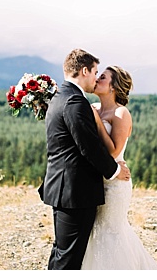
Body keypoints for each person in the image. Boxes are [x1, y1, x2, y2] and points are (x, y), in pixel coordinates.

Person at [39, 49, 130, 270]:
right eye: (95, 72)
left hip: (67, 188)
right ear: (84, 70)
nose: (96, 78)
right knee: (68, 258)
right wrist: (116, 171)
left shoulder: (62, 96)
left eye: (101, 75)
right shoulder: (75, 102)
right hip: (75, 192)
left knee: (62, 252)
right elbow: (88, 147)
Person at [81, 65, 157, 270]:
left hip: (115, 183)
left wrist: (98, 122)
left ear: (113, 86)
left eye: (103, 77)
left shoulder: (120, 113)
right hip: (93, 182)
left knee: (111, 233)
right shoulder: (94, 107)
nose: (97, 79)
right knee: (94, 234)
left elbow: (114, 152)